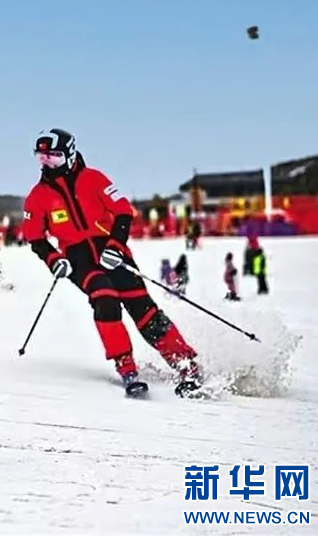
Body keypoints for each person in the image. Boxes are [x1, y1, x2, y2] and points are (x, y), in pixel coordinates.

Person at [22, 128, 201, 397]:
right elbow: (35, 237)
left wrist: (116, 245)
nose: (49, 164)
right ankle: (125, 365)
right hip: (77, 259)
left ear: (70, 154)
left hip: (111, 251)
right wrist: (54, 259)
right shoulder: (38, 196)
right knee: (104, 297)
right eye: (43, 158)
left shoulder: (93, 179)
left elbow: (122, 211)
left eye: (55, 157)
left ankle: (185, 363)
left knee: (142, 307)